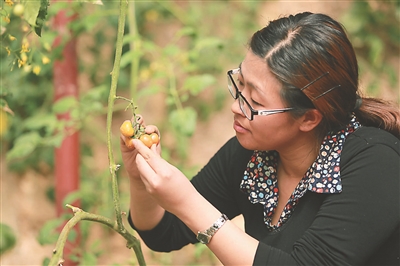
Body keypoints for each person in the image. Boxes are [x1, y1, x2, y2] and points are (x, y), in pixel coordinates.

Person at [120, 12, 400, 265]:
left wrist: (187, 203)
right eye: (239, 84)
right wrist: (140, 179)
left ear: (308, 118)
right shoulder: (255, 155)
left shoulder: (376, 163)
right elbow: (163, 232)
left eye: (254, 100)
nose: (235, 107)